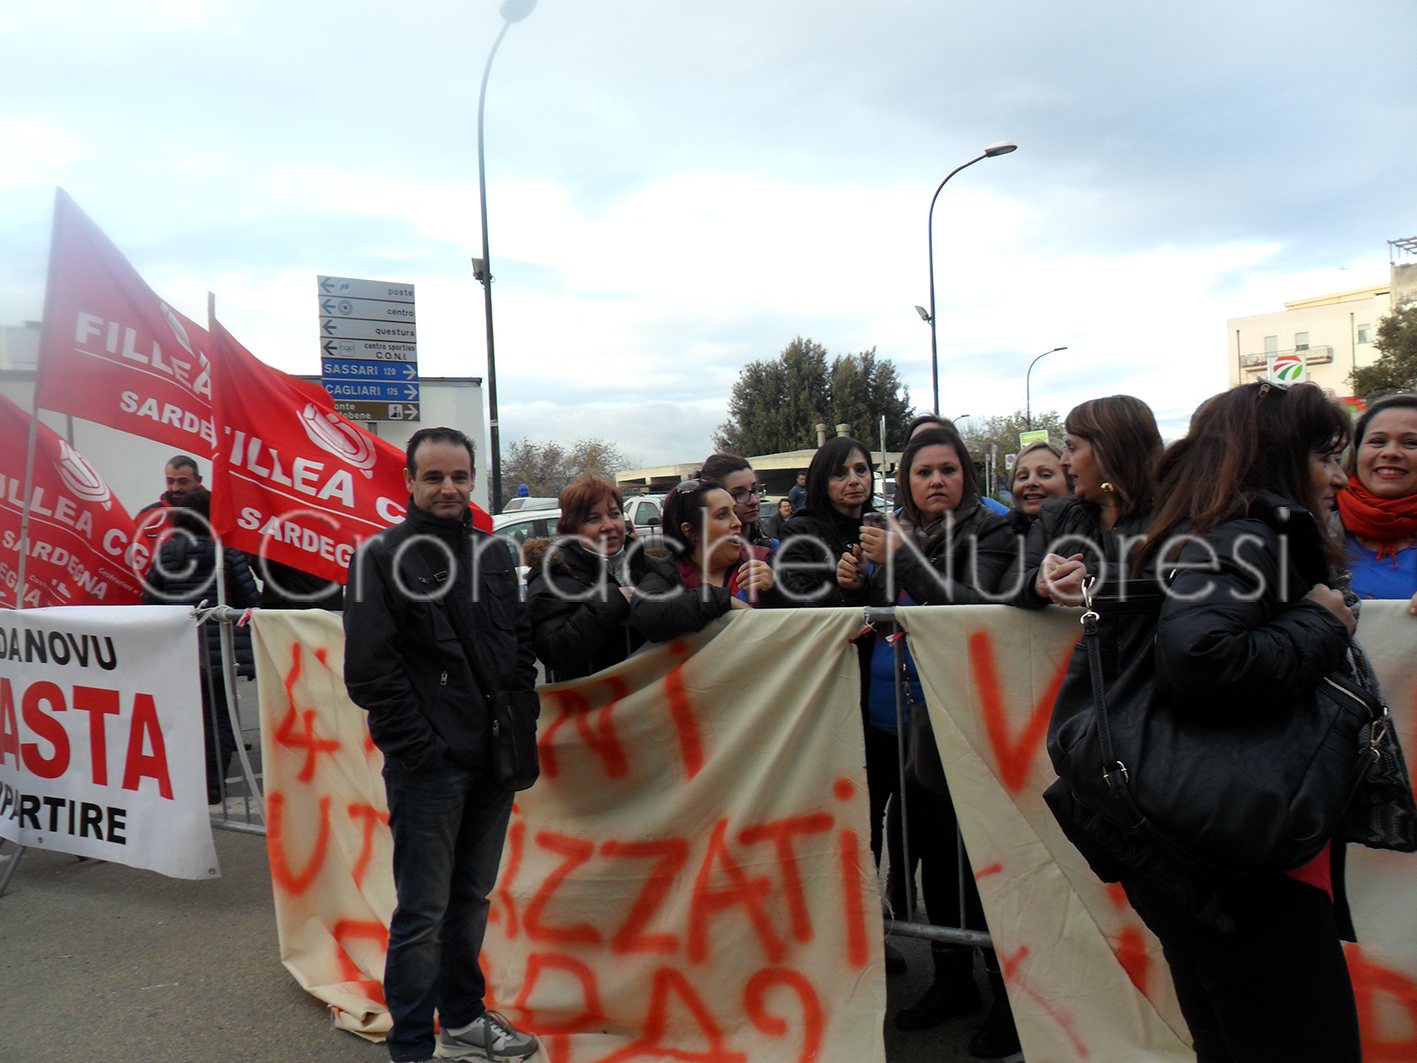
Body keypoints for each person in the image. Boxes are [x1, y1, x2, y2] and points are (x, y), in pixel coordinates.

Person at [1049, 381, 1362, 1062]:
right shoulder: (1249, 532)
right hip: (1236, 864)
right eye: (1323, 456)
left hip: (1200, 844)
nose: (1338, 475)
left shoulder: (1208, 528)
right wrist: (1319, 619)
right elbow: (1200, 655)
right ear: (1278, 457)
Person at [343, 427, 538, 1063]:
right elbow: (371, 673)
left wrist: (520, 718)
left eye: (459, 476)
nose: (448, 487)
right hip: (430, 768)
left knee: (471, 899)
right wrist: (422, 749)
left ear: (474, 478)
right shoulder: (379, 556)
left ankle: (461, 1017)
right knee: (423, 913)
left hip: (494, 761)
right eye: (434, 477)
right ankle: (410, 1047)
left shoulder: (495, 554)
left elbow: (518, 644)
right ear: (409, 482)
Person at [856, 427, 1021, 1051]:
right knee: (932, 861)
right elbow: (877, 614)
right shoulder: (899, 531)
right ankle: (954, 980)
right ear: (907, 480)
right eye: (923, 471)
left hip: (967, 723)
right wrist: (858, 579)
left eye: (948, 469)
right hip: (897, 721)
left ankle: (1007, 996)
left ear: (966, 476)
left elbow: (969, 606)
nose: (935, 481)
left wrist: (899, 560)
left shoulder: (993, 531)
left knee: (983, 865)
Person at [141, 486, 259, 804]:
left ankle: (188, 781)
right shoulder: (226, 553)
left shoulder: (166, 552)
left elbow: (150, 600)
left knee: (185, 717)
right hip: (219, 649)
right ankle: (214, 783)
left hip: (179, 649)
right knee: (219, 715)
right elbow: (250, 602)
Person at [1016, 395, 1163, 608]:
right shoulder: (1056, 515)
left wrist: (1091, 580)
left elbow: (1176, 584)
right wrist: (1036, 582)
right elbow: (1009, 583)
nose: (1063, 461)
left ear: (1109, 453)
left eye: (1072, 448)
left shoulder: (1172, 519)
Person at [524, 478, 654, 682]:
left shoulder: (645, 563)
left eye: (614, 515)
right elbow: (554, 651)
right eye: (594, 519)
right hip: (591, 705)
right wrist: (612, 599)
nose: (608, 526)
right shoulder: (551, 577)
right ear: (573, 529)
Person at [630, 477, 782, 640]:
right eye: (722, 515)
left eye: (735, 513)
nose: (737, 523)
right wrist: (722, 601)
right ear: (690, 531)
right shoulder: (667, 574)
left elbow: (808, 619)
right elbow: (648, 615)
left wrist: (776, 590)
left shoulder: (764, 561)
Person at [1336, 394, 1417, 610]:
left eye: (1411, 442)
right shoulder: (1313, 522)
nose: (1390, 453)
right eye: (1377, 441)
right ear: (1356, 451)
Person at [775, 437, 878, 606]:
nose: (853, 480)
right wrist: (850, 590)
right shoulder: (799, 531)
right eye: (840, 473)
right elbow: (803, 601)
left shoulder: (886, 526)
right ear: (822, 481)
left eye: (861, 470)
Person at [700, 453, 774, 547]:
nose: (754, 501)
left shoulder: (774, 549)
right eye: (739, 494)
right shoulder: (696, 558)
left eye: (754, 489)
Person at [135, 453, 205, 551]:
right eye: (170, 481)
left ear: (198, 480)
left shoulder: (214, 513)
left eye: (183, 482)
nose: (175, 488)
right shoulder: (147, 517)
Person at [1007, 440, 1070, 532]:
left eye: (1045, 475)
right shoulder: (998, 538)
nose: (1031, 483)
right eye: (1023, 477)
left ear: (1071, 484)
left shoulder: (1092, 533)